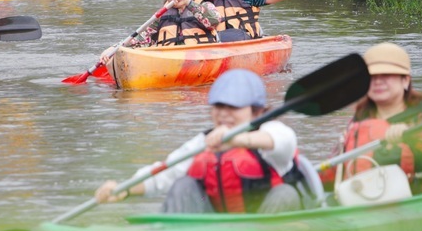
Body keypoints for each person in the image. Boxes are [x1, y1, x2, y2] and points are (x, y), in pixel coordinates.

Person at [94, 69, 312, 214]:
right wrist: (125, 189)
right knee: (184, 185)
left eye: (233, 107)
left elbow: (283, 141)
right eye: (218, 106)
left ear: (256, 112)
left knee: (286, 193)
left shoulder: (271, 133)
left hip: (267, 229)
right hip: (218, 230)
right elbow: (165, 173)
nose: (224, 114)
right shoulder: (206, 141)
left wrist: (237, 139)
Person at [321, 42, 422, 194]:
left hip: (418, 201)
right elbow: (337, 169)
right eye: (371, 77)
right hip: (366, 201)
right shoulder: (361, 118)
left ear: (405, 80)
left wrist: (411, 135)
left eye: (386, 75)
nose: (378, 81)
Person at [99, 0, 220, 63]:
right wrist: (114, 49)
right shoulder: (164, 14)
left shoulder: (203, 4)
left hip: (199, 59)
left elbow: (214, 21)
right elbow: (141, 37)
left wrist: (188, 3)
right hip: (169, 61)